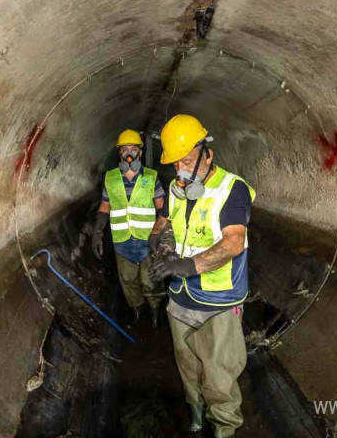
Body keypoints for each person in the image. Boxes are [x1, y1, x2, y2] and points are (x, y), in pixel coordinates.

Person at [148, 115, 255, 438]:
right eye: (176, 162)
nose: (181, 168)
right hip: (180, 297)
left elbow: (234, 241)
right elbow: (164, 221)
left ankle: (224, 428)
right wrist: (159, 241)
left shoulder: (231, 189)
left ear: (208, 153)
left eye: (188, 160)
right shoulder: (176, 188)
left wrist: (189, 266)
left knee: (219, 373)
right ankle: (196, 416)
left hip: (219, 300)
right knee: (188, 364)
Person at [92, 129, 167, 327]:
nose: (129, 153)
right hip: (122, 240)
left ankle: (154, 311)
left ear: (140, 152)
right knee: (127, 280)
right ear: (119, 152)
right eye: (125, 149)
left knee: (151, 280)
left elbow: (163, 209)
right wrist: (97, 233)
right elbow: (105, 206)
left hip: (147, 240)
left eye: (133, 149)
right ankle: (136, 310)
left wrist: (159, 234)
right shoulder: (111, 177)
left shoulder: (151, 177)